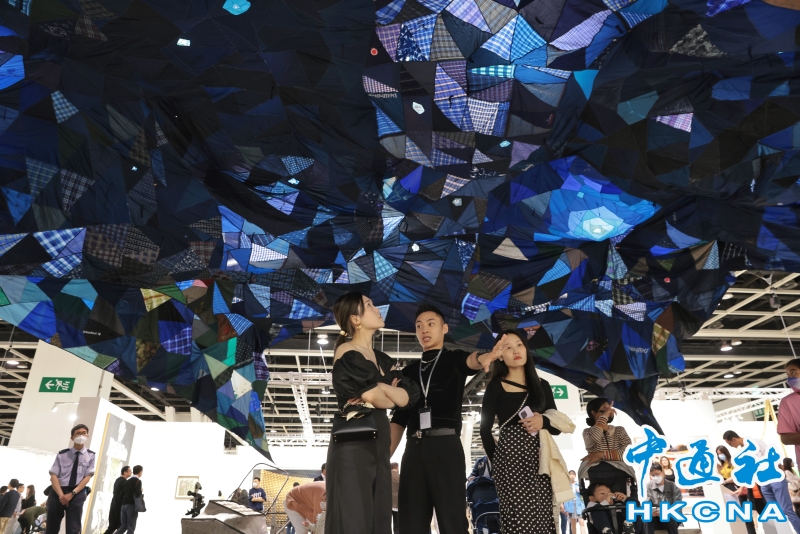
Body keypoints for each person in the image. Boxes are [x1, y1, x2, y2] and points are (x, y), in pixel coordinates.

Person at [390, 304, 506, 534]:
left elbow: (471, 361)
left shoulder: (453, 360)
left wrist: (485, 356)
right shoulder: (409, 372)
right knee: (410, 521)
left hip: (446, 447)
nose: (424, 329)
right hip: (413, 449)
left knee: (452, 520)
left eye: (431, 324)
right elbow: (399, 417)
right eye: (419, 326)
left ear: (444, 328)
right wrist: (383, 455)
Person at [326, 292, 419, 534]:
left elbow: (406, 398)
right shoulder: (346, 350)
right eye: (369, 305)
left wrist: (381, 388)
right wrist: (386, 391)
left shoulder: (383, 359)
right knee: (354, 517)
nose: (377, 309)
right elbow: (378, 399)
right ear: (355, 319)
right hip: (353, 442)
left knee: (380, 515)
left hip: (379, 441)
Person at [480, 329, 572, 533]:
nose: (515, 351)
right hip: (508, 461)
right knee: (517, 518)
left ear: (526, 349)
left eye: (519, 345)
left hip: (540, 458)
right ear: (500, 355)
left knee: (542, 515)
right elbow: (484, 429)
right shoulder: (495, 386)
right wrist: (497, 462)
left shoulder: (542, 385)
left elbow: (556, 426)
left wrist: (543, 420)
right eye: (508, 347)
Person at [723, 430, 800, 534]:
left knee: (787, 510)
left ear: (734, 439)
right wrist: (741, 487)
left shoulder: (756, 442)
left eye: (730, 444)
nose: (731, 446)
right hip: (763, 483)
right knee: (774, 511)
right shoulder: (744, 451)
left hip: (775, 478)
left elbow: (773, 457)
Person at [45, 424, 95, 534]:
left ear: (87, 435)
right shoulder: (62, 454)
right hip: (58, 491)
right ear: (72, 437)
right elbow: (53, 475)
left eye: (84, 433)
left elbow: (87, 477)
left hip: (77, 492)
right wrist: (61, 495)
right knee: (51, 526)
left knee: (73, 527)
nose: (81, 435)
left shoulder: (91, 455)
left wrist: (72, 494)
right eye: (78, 433)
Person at [645, 464, 682, 534]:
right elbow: (648, 500)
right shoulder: (649, 486)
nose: (655, 477)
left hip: (672, 518)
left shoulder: (673, 486)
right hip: (657, 519)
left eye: (657, 474)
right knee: (647, 518)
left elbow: (678, 506)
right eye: (653, 475)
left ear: (662, 473)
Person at [113, 465, 142, 534]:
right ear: (140, 472)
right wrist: (140, 490)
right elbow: (137, 494)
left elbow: (121, 495)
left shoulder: (126, 481)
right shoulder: (138, 481)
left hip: (123, 506)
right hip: (131, 506)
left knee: (123, 526)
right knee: (131, 528)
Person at [104, 466, 131, 534]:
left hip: (113, 505)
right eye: (129, 471)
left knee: (111, 527)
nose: (131, 472)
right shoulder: (125, 482)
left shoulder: (118, 480)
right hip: (119, 507)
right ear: (125, 472)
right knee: (120, 527)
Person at [390, 463, 400, 534]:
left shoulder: (386, 476)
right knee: (397, 524)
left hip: (388, 503)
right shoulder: (399, 476)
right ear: (397, 467)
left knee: (386, 523)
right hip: (397, 503)